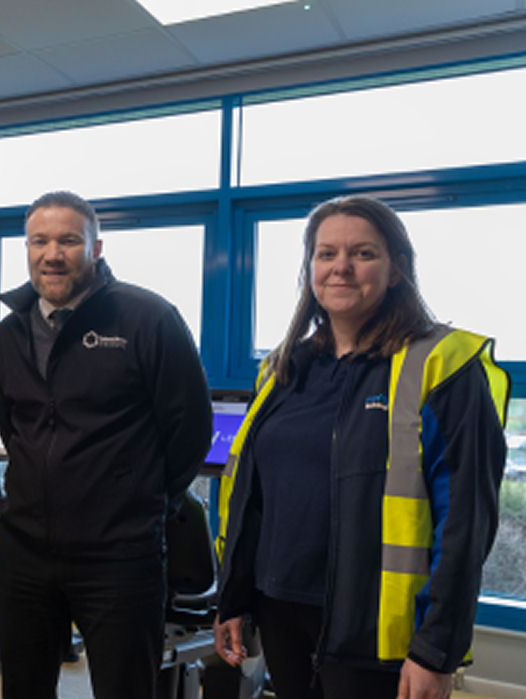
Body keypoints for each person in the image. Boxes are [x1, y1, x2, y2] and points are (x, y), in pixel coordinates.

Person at [213, 196, 510, 699]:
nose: (341, 268)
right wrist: (234, 597)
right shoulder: (284, 370)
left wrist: (436, 647)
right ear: (310, 269)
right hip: (280, 608)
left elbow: (465, 522)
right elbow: (252, 498)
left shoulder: (442, 366)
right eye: (326, 254)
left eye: (363, 253)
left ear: (396, 270)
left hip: (377, 629)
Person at [0, 190, 213, 699]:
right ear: (27, 249)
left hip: (118, 556)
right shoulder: (8, 335)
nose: (53, 253)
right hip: (25, 554)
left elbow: (190, 430)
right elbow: (14, 425)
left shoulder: (148, 319)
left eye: (69, 240)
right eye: (39, 241)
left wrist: (141, 502)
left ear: (96, 248)